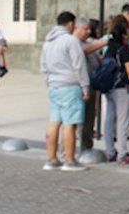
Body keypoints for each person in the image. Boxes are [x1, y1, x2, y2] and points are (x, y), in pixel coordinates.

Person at [40, 11, 89, 172]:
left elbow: (43, 66)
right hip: (70, 85)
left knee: (54, 122)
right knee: (70, 124)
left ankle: (52, 159)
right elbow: (79, 65)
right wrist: (85, 86)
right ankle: (69, 159)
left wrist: (49, 81)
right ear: (70, 24)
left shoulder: (48, 42)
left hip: (54, 86)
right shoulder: (70, 41)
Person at [103, 18, 129, 165]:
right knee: (122, 121)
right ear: (124, 34)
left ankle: (110, 151)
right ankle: (123, 153)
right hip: (122, 88)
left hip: (109, 87)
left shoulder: (110, 49)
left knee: (109, 119)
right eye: (128, 30)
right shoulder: (124, 50)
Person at [75, 17, 106, 151]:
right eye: (85, 29)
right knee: (78, 120)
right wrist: (103, 42)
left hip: (92, 85)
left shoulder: (88, 42)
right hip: (80, 86)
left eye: (89, 29)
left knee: (89, 119)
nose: (88, 31)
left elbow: (97, 59)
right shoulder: (74, 42)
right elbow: (86, 49)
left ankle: (87, 147)